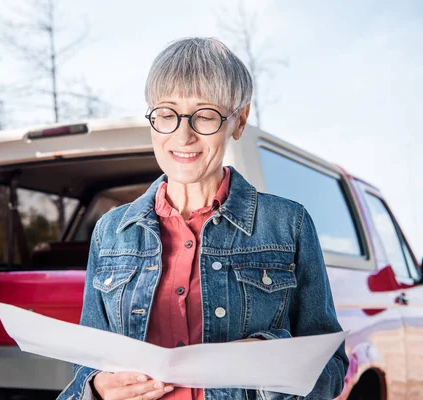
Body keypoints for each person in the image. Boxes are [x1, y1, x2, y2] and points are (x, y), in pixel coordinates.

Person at [57, 38, 348, 400]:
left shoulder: (289, 225)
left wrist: (268, 366)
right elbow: (87, 367)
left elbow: (332, 369)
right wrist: (97, 388)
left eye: (205, 115)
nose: (183, 135)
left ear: (238, 122)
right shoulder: (111, 232)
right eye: (166, 114)